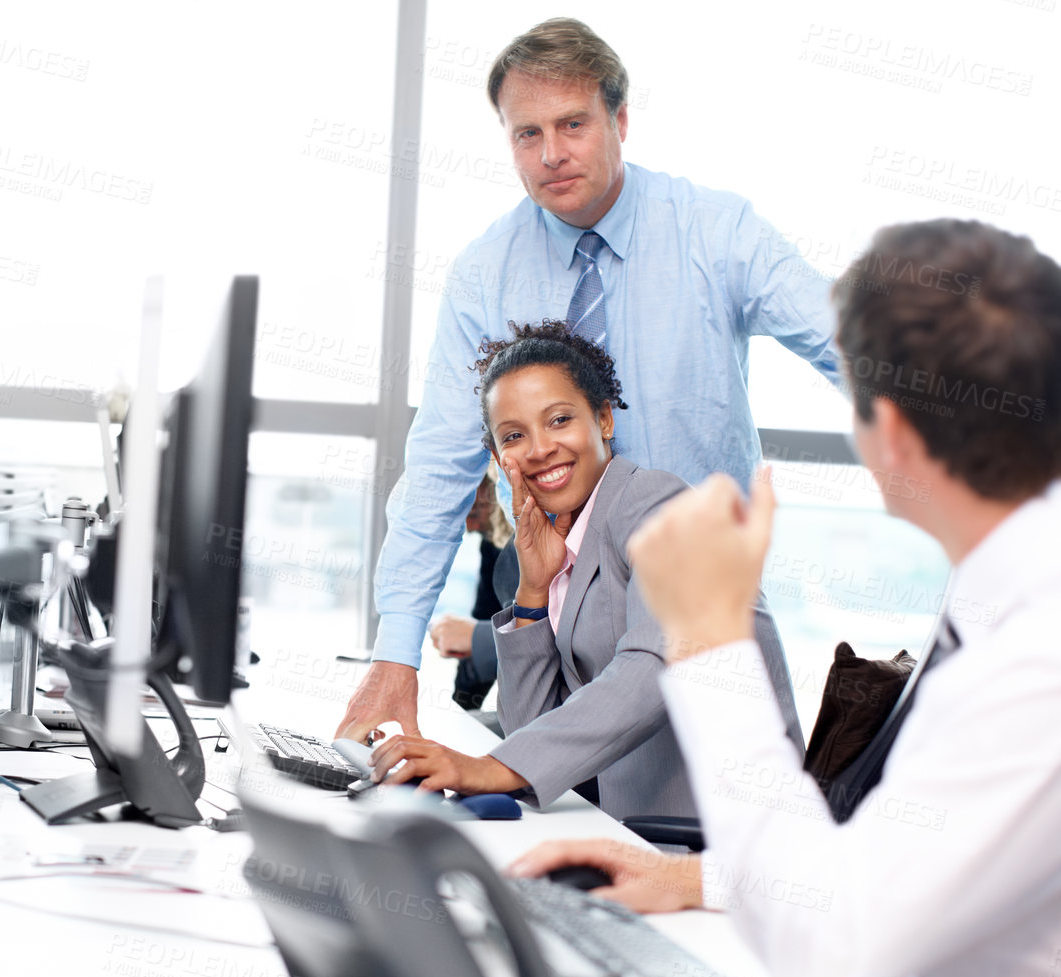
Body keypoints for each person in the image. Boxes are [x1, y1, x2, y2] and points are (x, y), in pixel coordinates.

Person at [511, 220, 1061, 977]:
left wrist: (709, 636)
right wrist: (698, 877)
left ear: (894, 433)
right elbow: (942, 858)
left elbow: (826, 951)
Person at [338, 17, 840, 744]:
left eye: (572, 124)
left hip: (700, 612)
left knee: (706, 837)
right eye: (526, 134)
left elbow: (846, 343)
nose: (551, 154)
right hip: (551, 629)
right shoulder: (486, 273)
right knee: (534, 832)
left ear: (621, 118)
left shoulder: (716, 232)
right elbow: (439, 464)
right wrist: (396, 651)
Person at [368, 321, 801, 817]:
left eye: (558, 420)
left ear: (603, 420)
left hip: (722, 841)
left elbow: (654, 664)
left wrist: (491, 768)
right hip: (629, 829)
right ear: (496, 456)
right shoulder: (565, 540)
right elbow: (529, 727)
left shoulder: (656, 505)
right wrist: (533, 590)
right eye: (513, 435)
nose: (538, 449)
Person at [428, 469, 515, 713]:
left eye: (474, 512)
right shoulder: (492, 544)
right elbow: (484, 616)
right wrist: (461, 711)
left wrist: (476, 637)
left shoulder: (527, 541)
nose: (471, 526)